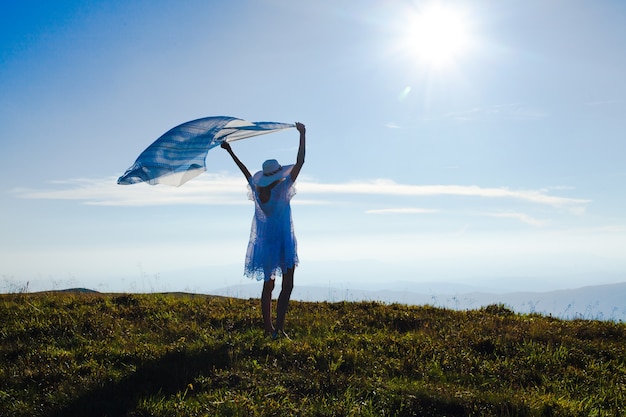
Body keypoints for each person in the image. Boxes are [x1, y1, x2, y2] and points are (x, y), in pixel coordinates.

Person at [221, 122, 306, 338]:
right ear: (277, 174)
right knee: (287, 286)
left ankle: (269, 329)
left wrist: (230, 151)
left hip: (266, 243)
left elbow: (244, 170)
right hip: (285, 240)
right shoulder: (284, 187)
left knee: (268, 286)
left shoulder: (258, 191)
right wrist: (302, 134)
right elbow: (300, 161)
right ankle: (279, 328)